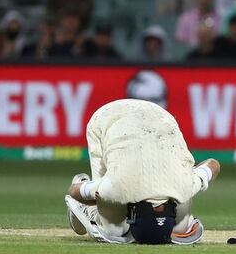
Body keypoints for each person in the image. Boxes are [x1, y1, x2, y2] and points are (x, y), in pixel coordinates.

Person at [64, 99, 220, 244]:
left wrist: (104, 197)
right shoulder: (115, 187)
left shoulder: (187, 184)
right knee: (113, 230)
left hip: (161, 116)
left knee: (115, 222)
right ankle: (88, 205)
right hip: (109, 118)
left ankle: (103, 206)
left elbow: (213, 165)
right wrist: (98, 195)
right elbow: (74, 191)